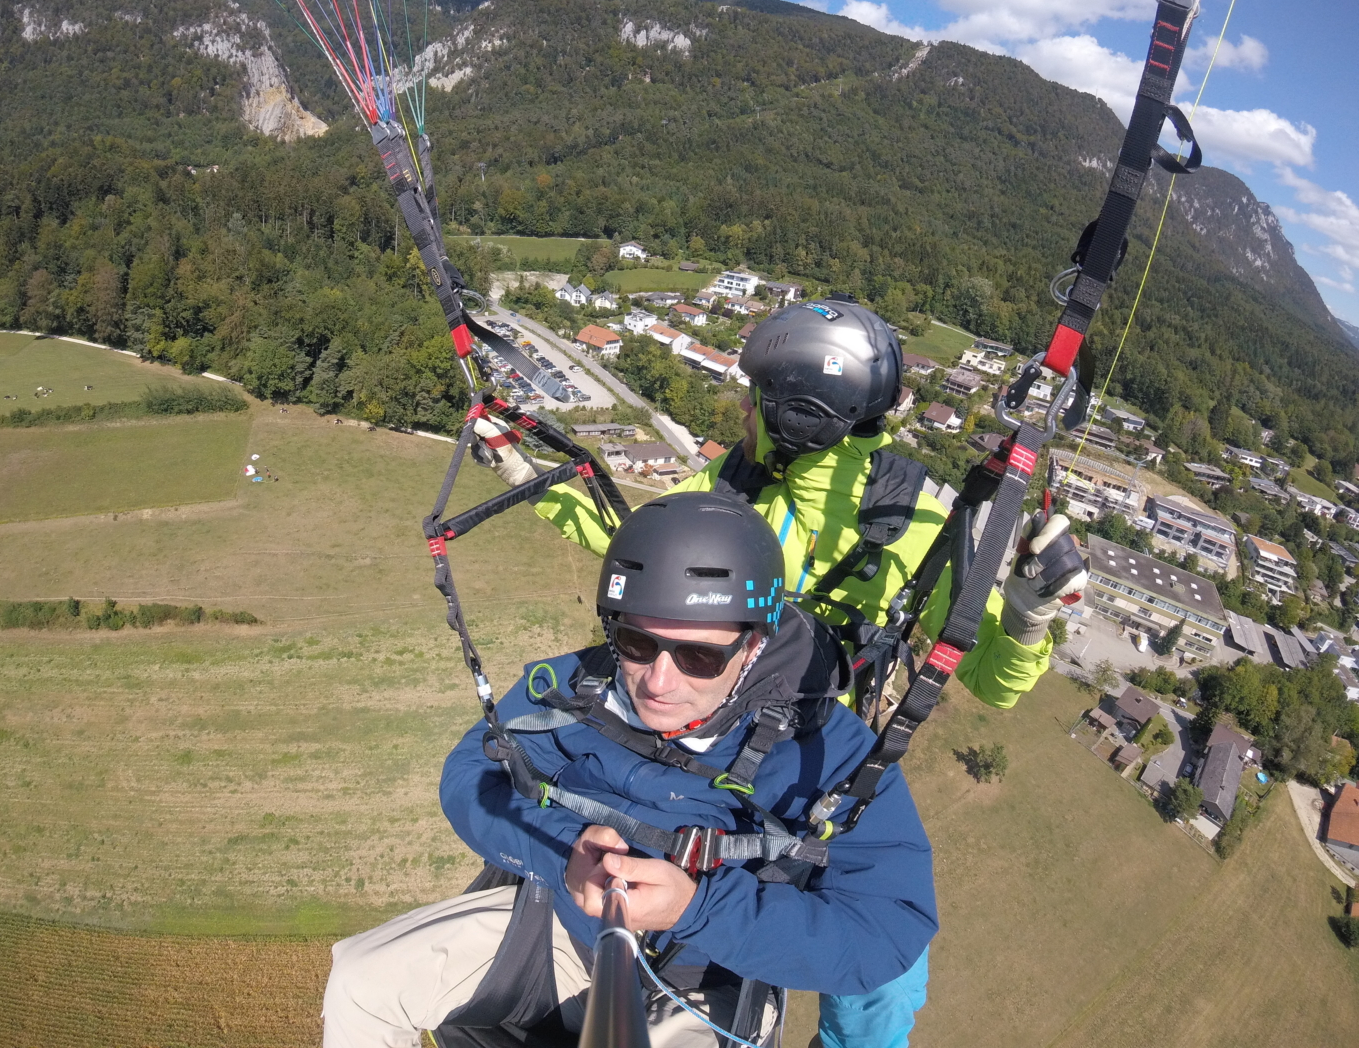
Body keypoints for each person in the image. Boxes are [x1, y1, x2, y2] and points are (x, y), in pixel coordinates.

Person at [471, 295, 1086, 1046]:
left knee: (879, 974)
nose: (742, 411)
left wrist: (1026, 615)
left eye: (754, 399)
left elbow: (988, 676)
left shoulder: (906, 523)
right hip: (735, 745)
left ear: (795, 416)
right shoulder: (733, 496)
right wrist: (523, 466)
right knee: (879, 987)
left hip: (816, 756)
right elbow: (626, 538)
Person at [322, 494, 937, 1048]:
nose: (659, 682)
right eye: (637, 645)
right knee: (359, 983)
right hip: (560, 928)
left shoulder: (829, 753)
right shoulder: (571, 687)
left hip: (705, 980)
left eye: (699, 656)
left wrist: (698, 909)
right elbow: (470, 776)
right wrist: (562, 852)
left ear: (753, 644)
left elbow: (886, 930)